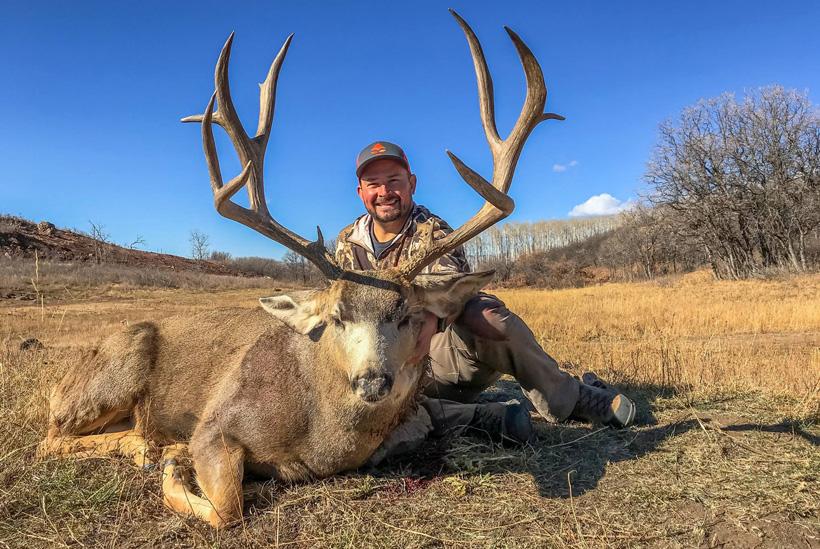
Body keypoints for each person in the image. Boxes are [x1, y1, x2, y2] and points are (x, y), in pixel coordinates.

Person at [335, 141, 635, 460]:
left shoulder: (434, 232)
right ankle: (481, 419)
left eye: (394, 180)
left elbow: (452, 285)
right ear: (360, 192)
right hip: (375, 368)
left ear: (411, 184)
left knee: (486, 316)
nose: (384, 191)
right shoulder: (346, 244)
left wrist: (434, 319)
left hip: (432, 357)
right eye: (374, 184)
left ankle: (572, 398)